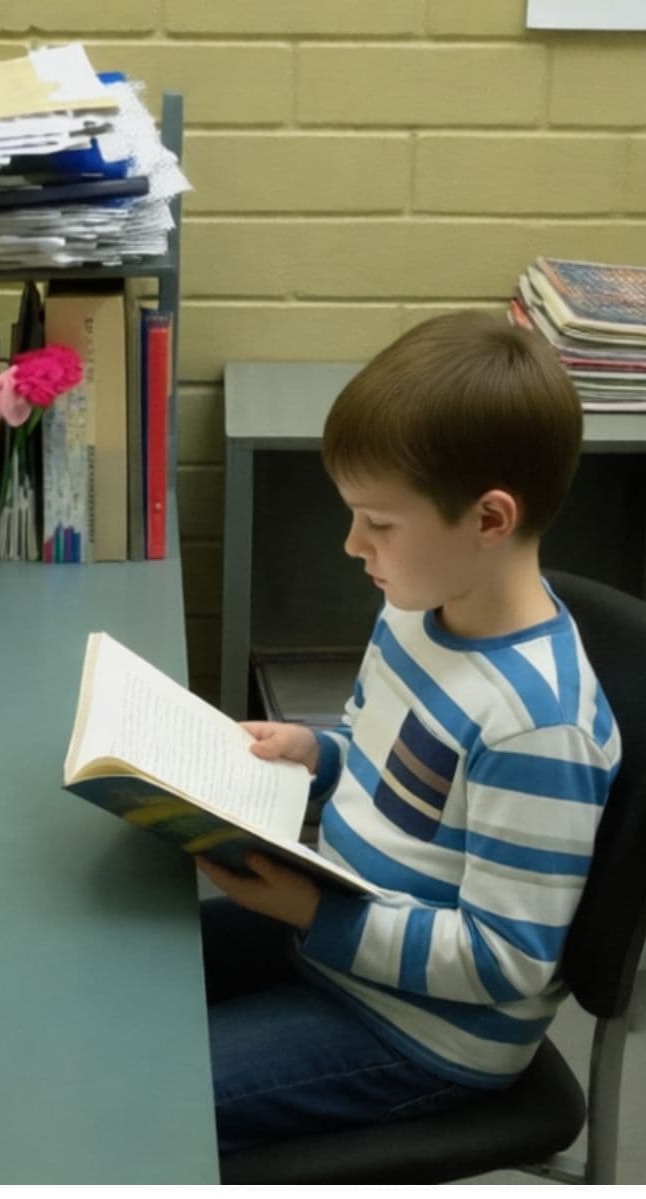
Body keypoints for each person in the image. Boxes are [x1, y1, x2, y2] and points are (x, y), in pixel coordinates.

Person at [197, 311, 620, 1154]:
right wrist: (316, 756)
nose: (353, 544)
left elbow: (507, 962)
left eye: (379, 524)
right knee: (120, 970)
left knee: (149, 1091)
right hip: (333, 934)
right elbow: (383, 758)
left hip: (422, 1035)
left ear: (491, 520)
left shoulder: (537, 725)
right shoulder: (415, 612)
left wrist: (314, 913)